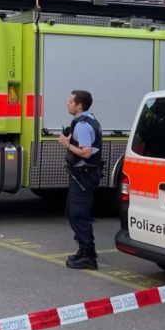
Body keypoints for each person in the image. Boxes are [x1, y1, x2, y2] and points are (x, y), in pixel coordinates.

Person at [58, 89, 103, 270]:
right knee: (73, 211)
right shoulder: (86, 121)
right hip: (82, 176)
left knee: (78, 214)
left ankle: (88, 256)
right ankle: (84, 250)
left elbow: (86, 152)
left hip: (83, 177)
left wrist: (66, 144)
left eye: (71, 102)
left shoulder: (83, 125)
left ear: (80, 105)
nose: (68, 104)